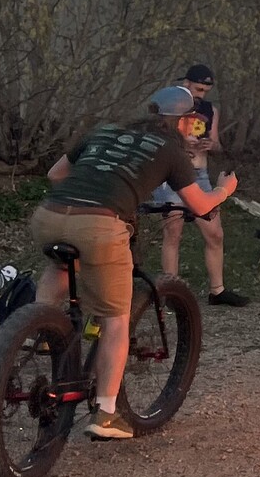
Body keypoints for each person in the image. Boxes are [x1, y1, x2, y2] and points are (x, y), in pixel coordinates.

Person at [36, 85, 236, 439]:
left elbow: (55, 175)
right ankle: (106, 414)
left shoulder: (103, 132)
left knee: (63, 264)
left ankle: (39, 331)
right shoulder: (170, 150)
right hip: (99, 225)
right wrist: (224, 189)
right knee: (116, 319)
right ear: (182, 121)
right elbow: (200, 206)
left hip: (48, 217)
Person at [155, 63, 246, 307]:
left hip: (199, 173)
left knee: (214, 232)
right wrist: (180, 145)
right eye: (198, 89)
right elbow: (157, 138)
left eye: (205, 91)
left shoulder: (209, 110)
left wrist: (210, 145)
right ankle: (171, 291)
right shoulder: (171, 105)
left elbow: (216, 143)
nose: (201, 95)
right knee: (173, 231)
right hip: (172, 173)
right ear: (186, 84)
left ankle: (217, 290)